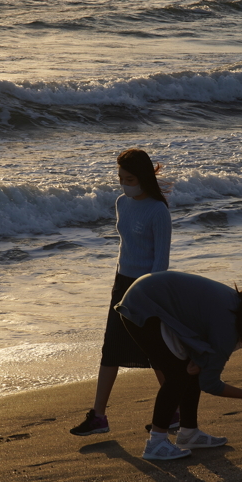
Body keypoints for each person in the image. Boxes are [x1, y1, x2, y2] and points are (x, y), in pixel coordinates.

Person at [115, 270, 242, 461]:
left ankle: (189, 433)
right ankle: (155, 443)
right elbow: (210, 383)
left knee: (190, 370)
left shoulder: (240, 311)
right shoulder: (228, 327)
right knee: (178, 375)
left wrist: (200, 362)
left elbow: (202, 333)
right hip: (143, 303)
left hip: (153, 294)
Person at [70, 148, 173, 436]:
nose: (124, 184)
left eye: (129, 178)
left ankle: (173, 411)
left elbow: (160, 262)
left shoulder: (158, 210)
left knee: (155, 353)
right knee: (111, 349)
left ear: (142, 177)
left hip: (147, 289)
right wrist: (118, 284)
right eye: (120, 179)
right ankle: (99, 417)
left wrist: (149, 295)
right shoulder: (121, 203)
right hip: (122, 284)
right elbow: (123, 248)